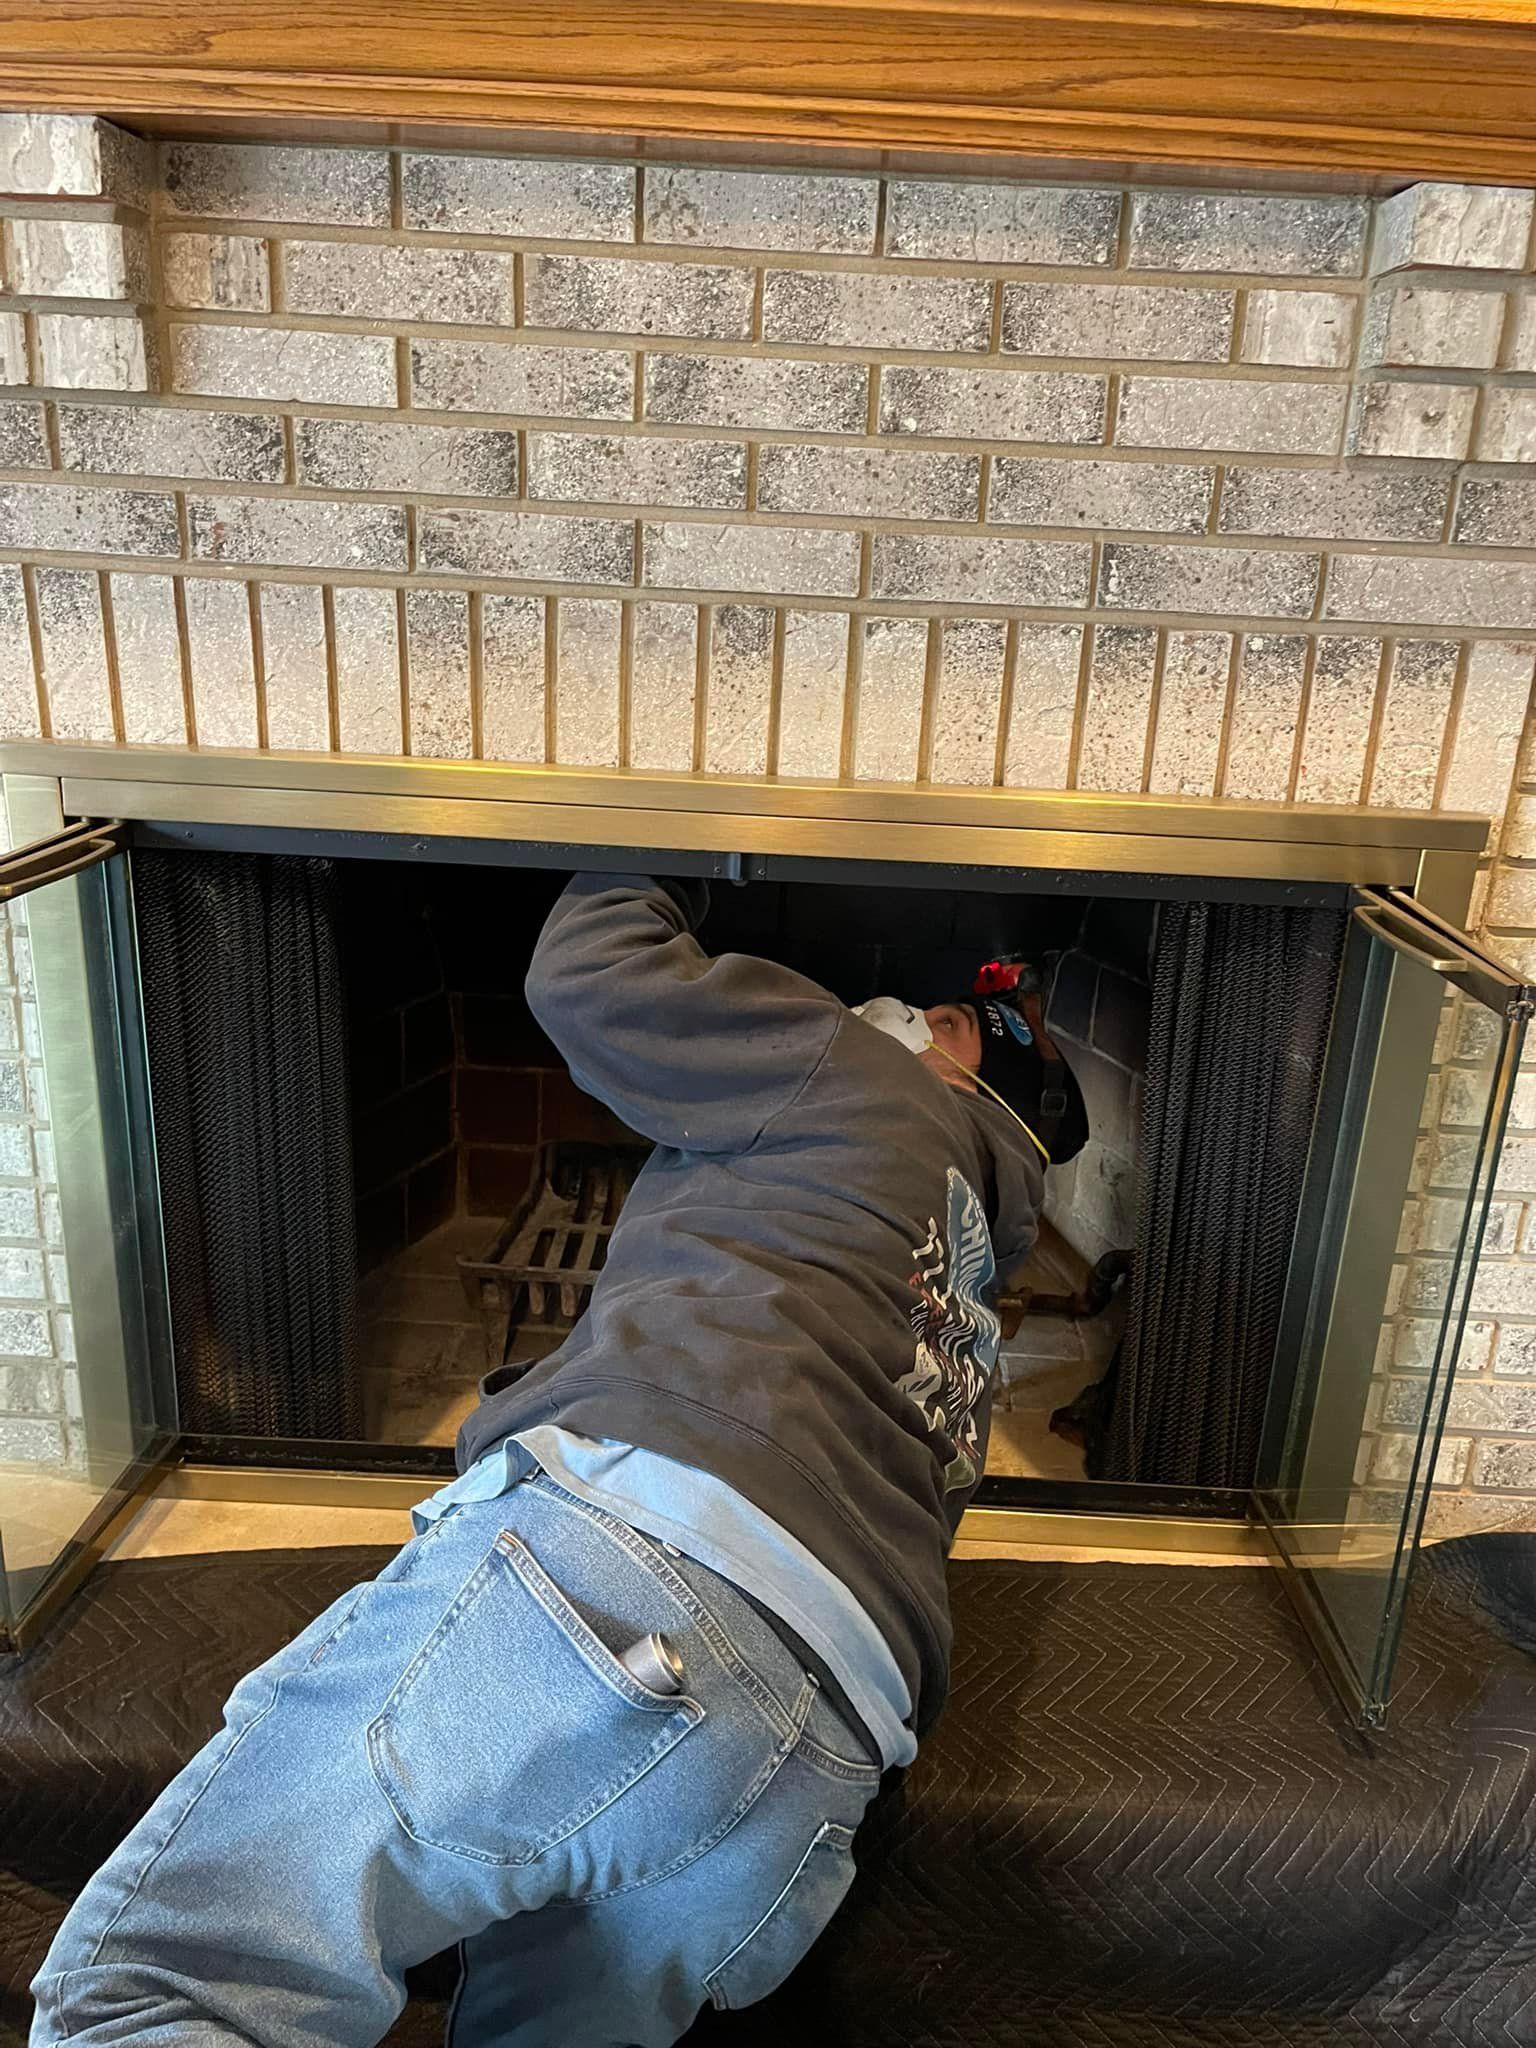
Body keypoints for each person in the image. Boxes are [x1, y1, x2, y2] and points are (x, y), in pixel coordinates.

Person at [31, 873, 1085, 2048]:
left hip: (632, 1585)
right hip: (820, 1762)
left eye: (941, 1019)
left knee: (174, 1978)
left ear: (967, 1075)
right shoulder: (972, 1301)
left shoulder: (857, 1066)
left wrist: (670, 830)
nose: (902, 1011)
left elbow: (589, 969)